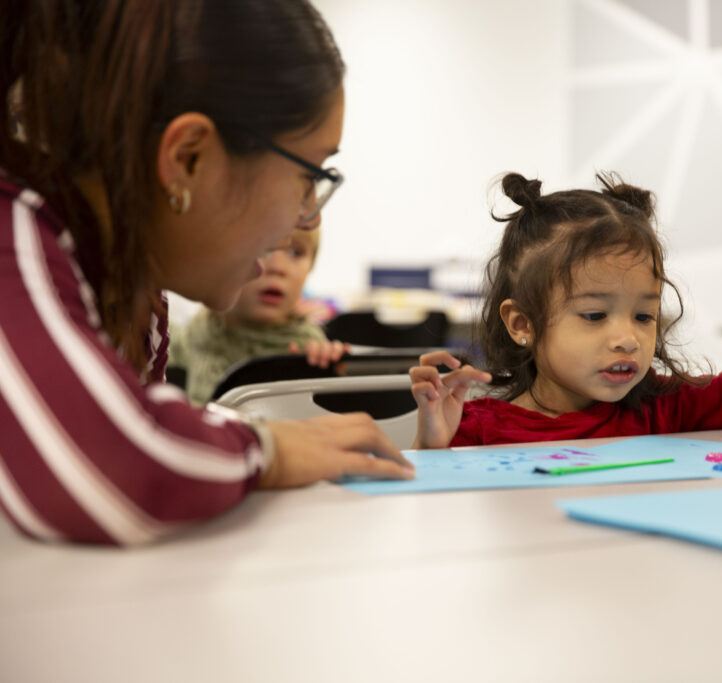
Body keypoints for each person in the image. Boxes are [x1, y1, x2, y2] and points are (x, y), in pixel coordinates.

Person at [0, 0, 414, 547]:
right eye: (308, 176)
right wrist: (270, 448)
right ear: (189, 158)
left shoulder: (135, 292)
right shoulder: (12, 228)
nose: (309, 217)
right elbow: (114, 473)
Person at [409, 172, 722, 448]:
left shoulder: (662, 409)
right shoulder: (479, 429)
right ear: (523, 324)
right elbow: (428, 518)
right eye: (595, 316)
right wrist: (431, 447)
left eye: (643, 316)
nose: (628, 338)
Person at [169, 225, 347, 404]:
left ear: (311, 266)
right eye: (263, 249)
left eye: (295, 253)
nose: (278, 268)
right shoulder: (193, 335)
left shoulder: (310, 350)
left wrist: (329, 373)